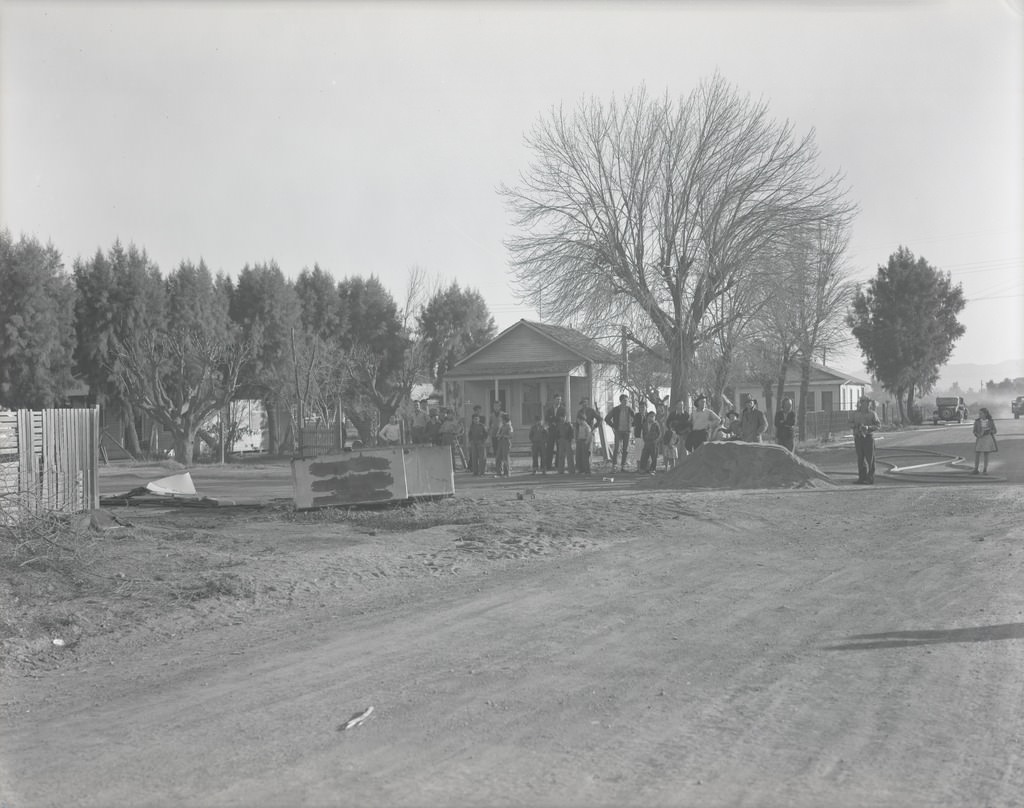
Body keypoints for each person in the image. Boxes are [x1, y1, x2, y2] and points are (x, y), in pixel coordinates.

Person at [849, 396, 880, 484]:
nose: (864, 404)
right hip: (858, 437)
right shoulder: (855, 414)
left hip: (868, 438)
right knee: (860, 458)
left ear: (868, 403)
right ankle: (862, 477)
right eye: (862, 402)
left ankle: (870, 478)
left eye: (866, 402)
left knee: (870, 458)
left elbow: (878, 425)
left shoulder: (872, 414)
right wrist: (855, 426)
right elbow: (850, 422)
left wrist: (868, 427)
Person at [604, 394, 635, 472]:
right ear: (621, 401)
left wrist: (631, 425)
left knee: (626, 449)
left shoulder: (629, 409)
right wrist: (613, 426)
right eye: (624, 400)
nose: (626, 402)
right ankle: (614, 465)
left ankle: (623, 466)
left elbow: (635, 418)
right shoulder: (615, 409)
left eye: (627, 400)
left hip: (627, 431)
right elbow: (607, 418)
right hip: (618, 431)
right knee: (617, 448)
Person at [543, 393, 566, 470]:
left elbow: (562, 419)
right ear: (554, 400)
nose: (559, 401)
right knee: (549, 448)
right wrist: (552, 420)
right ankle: (548, 465)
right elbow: (547, 418)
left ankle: (557, 465)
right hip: (551, 431)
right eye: (557, 399)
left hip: (559, 431)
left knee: (559, 448)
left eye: (560, 399)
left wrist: (554, 419)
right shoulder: (549, 409)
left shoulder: (563, 409)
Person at [972, 407, 998, 474]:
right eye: (979, 413)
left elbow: (995, 430)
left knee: (986, 454)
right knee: (977, 453)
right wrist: (977, 435)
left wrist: (990, 431)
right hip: (980, 439)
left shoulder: (990, 421)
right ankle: (976, 469)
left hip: (988, 439)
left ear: (985, 414)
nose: (979, 415)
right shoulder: (977, 421)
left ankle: (985, 469)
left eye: (981, 413)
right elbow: (974, 431)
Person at [495, 412, 513, 477]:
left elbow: (510, 436)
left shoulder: (509, 426)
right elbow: (497, 434)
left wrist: (504, 435)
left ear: (505, 419)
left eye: (501, 418)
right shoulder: (501, 426)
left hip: (506, 442)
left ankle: (507, 472)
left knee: (505, 458)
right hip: (500, 442)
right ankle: (498, 472)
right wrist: (499, 435)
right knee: (498, 457)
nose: (501, 420)